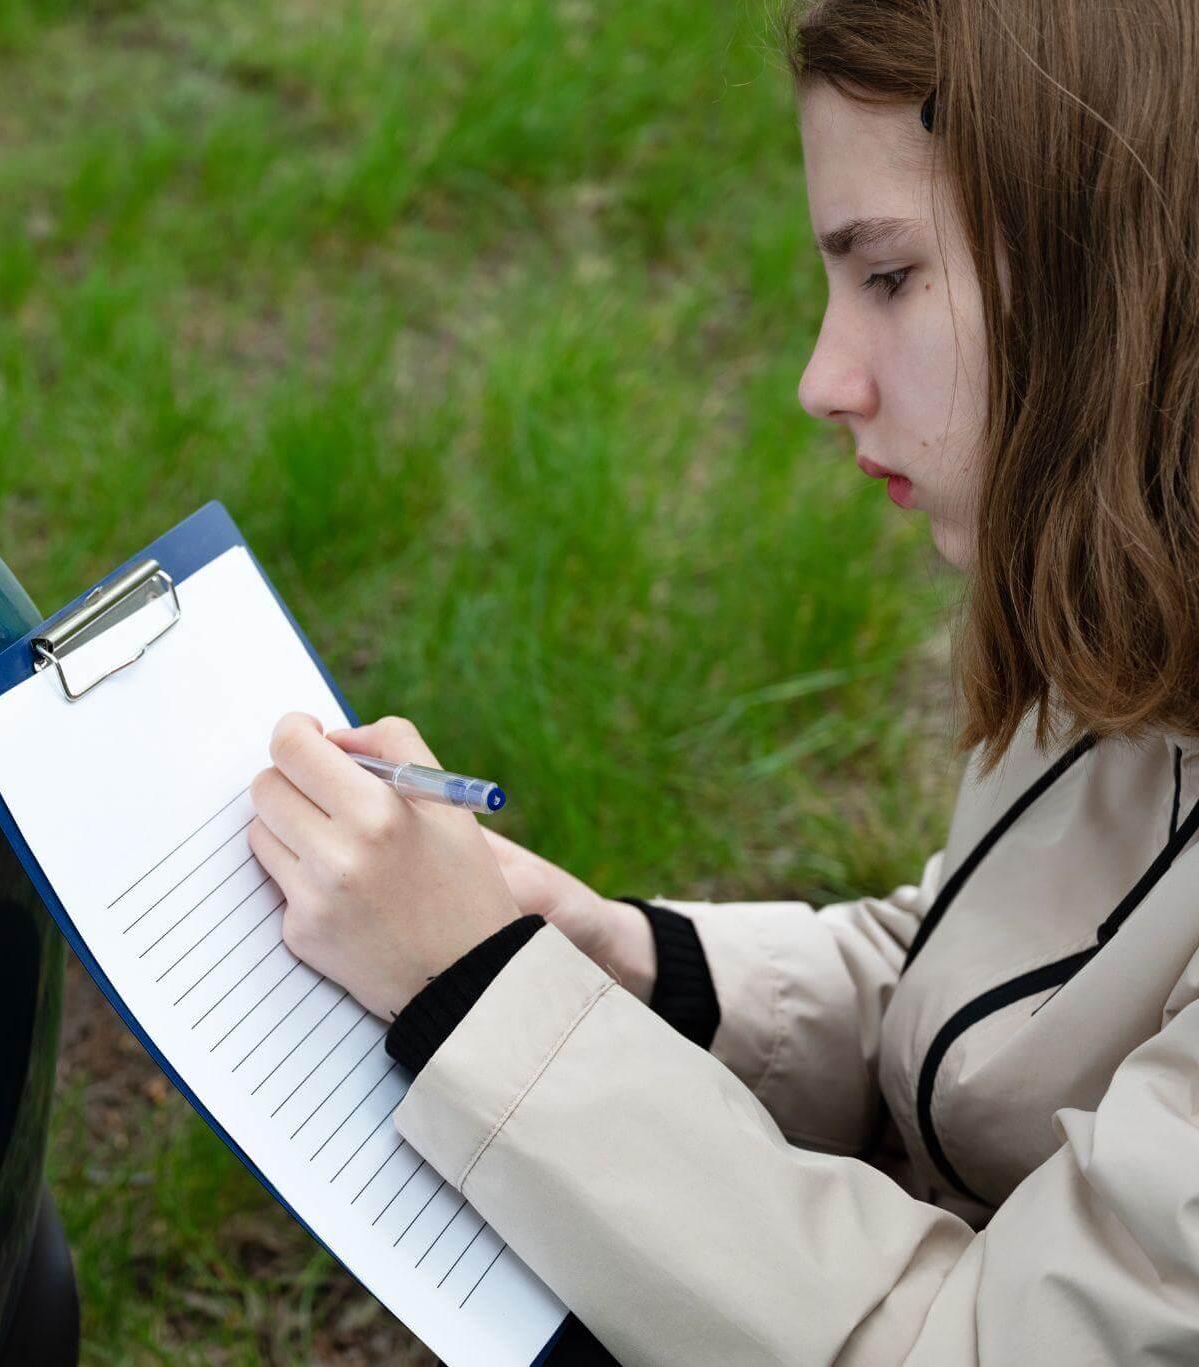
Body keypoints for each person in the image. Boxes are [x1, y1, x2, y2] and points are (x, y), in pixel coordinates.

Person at [246, 0, 1199, 1361]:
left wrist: (480, 996)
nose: (821, 379)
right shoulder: (1133, 606)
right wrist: (634, 966)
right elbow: (995, 1000)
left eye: (888, 277)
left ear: (1121, 275)